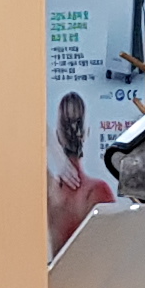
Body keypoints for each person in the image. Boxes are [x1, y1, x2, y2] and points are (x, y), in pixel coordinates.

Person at [47, 90, 116, 250]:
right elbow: (113, 248)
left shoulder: (48, 192)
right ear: (86, 133)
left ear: (58, 135)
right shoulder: (99, 191)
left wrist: (52, 148)